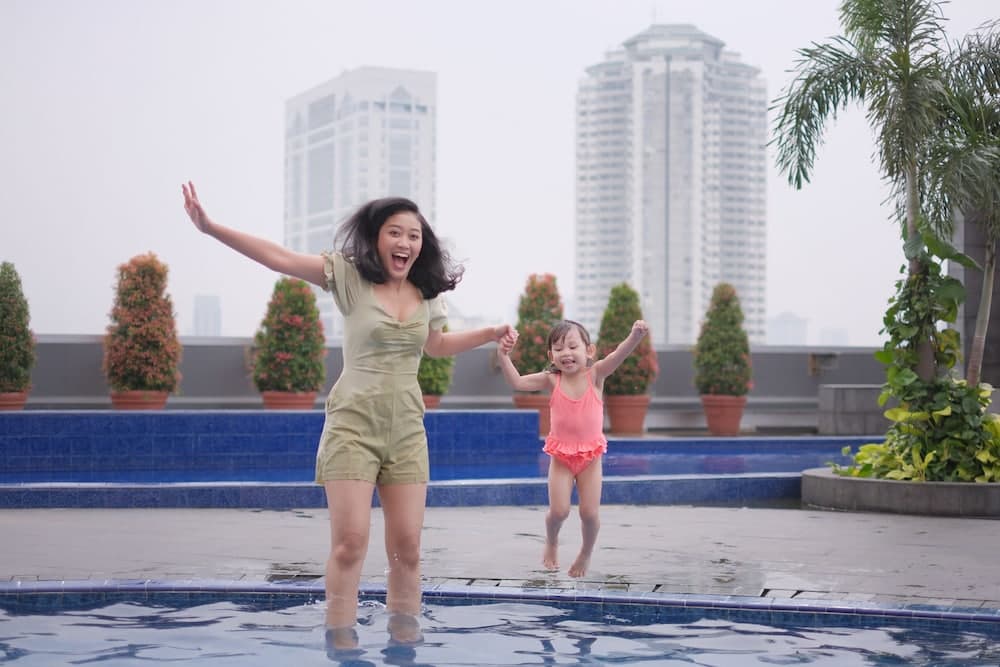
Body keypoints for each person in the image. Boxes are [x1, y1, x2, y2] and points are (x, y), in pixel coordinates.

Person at [181, 182, 515, 649]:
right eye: (395, 232)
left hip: (406, 429)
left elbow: (436, 345)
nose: (405, 242)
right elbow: (279, 258)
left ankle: (404, 646)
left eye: (414, 235)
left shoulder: (426, 291)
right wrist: (211, 228)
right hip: (352, 426)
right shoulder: (349, 276)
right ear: (377, 237)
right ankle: (341, 644)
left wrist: (488, 333)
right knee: (350, 543)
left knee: (408, 549)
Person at [497, 318, 649, 577]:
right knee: (559, 511)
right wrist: (503, 355)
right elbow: (518, 382)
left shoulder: (596, 375)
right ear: (551, 356)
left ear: (589, 350)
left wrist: (635, 336)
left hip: (590, 459)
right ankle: (552, 541)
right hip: (561, 459)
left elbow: (618, 356)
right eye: (558, 349)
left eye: (572, 346)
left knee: (589, 514)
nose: (566, 353)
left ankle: (585, 553)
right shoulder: (551, 380)